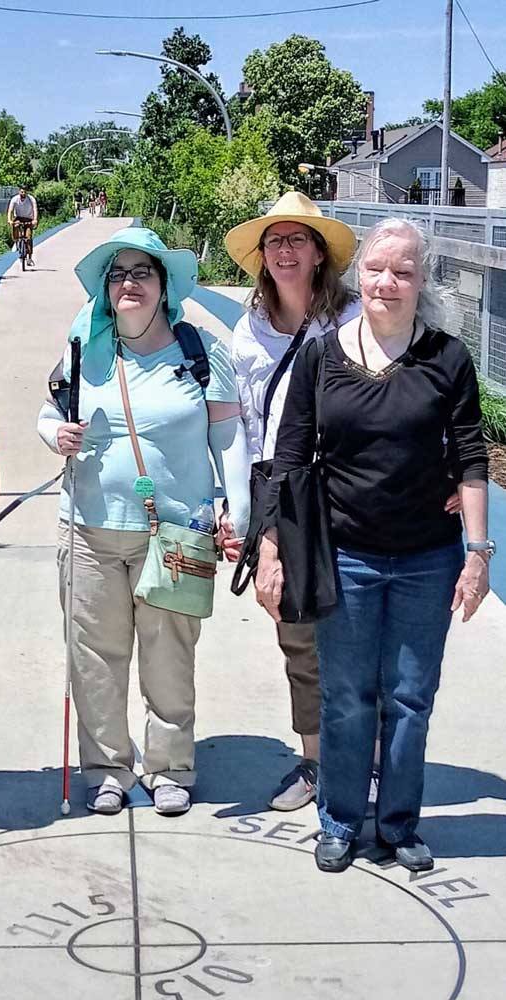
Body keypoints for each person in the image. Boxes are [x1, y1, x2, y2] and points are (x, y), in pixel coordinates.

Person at [256, 218, 491, 873]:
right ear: (358, 273)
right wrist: (272, 551)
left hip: (426, 557)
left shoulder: (448, 358)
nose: (387, 282)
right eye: (377, 269)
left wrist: (477, 553)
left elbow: (471, 458)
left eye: (404, 272)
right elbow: (288, 459)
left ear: (421, 281)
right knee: (346, 698)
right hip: (346, 556)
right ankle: (336, 820)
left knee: (410, 698)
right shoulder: (318, 356)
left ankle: (396, 825)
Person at [37, 227, 251, 816]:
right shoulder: (84, 348)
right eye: (118, 274)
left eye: (142, 272)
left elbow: (228, 437)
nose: (129, 283)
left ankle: (170, 766)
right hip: (88, 529)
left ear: (164, 285)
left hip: (178, 533)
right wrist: (55, 433)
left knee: (170, 655)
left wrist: (239, 508)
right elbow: (48, 412)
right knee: (95, 657)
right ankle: (108, 768)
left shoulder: (202, 352)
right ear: (106, 288)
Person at [225, 192, 360, 811]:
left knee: (358, 631)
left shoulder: (353, 318)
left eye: (297, 240)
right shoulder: (246, 332)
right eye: (274, 241)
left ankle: (368, 762)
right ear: (262, 257)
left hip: (351, 489)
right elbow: (242, 426)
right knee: (297, 634)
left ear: (318, 253)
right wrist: (247, 513)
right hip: (283, 492)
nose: (284, 250)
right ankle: (314, 760)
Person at [7, 185, 38, 266]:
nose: (23, 193)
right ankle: (16, 241)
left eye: (24, 192)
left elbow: (35, 209)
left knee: (28, 237)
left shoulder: (31, 199)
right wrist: (9, 220)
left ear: (27, 192)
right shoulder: (15, 199)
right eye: (21, 192)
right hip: (19, 217)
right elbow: (10, 210)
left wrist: (35, 220)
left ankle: (29, 258)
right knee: (15, 225)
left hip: (28, 218)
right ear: (19, 192)